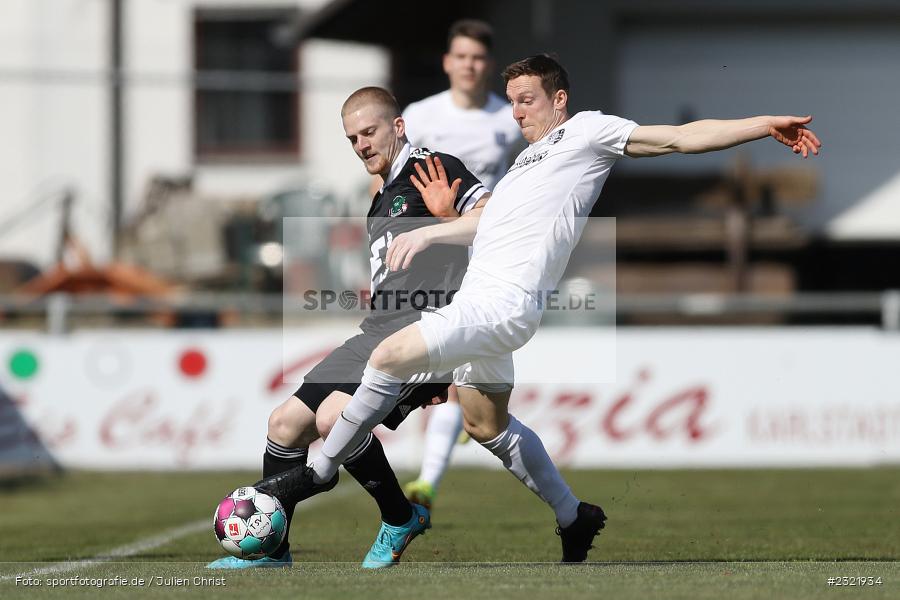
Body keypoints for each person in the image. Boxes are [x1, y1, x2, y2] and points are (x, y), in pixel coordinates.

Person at [257, 54, 821, 563]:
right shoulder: (525, 164)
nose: (517, 111)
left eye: (528, 99)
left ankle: (315, 473)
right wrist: (441, 222)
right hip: (483, 305)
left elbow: (677, 138)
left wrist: (762, 126)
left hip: (499, 307)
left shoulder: (587, 132)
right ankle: (575, 517)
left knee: (388, 355)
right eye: (514, 101)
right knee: (485, 426)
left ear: (560, 100)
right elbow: (490, 224)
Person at [209, 86, 489, 570]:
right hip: (376, 331)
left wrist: (439, 224)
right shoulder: (381, 193)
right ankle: (273, 551)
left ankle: (398, 518)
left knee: (332, 416)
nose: (361, 144)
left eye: (370, 131)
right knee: (284, 424)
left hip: (422, 335)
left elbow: (492, 217)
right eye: (352, 137)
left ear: (397, 127)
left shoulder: (431, 169)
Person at [400, 19, 523, 510]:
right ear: (448, 62)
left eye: (478, 58)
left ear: (487, 65)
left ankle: (425, 485)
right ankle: (431, 472)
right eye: (461, 56)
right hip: (433, 255)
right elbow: (387, 185)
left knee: (455, 376)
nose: (469, 65)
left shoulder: (507, 118)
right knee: (447, 375)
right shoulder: (421, 116)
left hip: (492, 259)